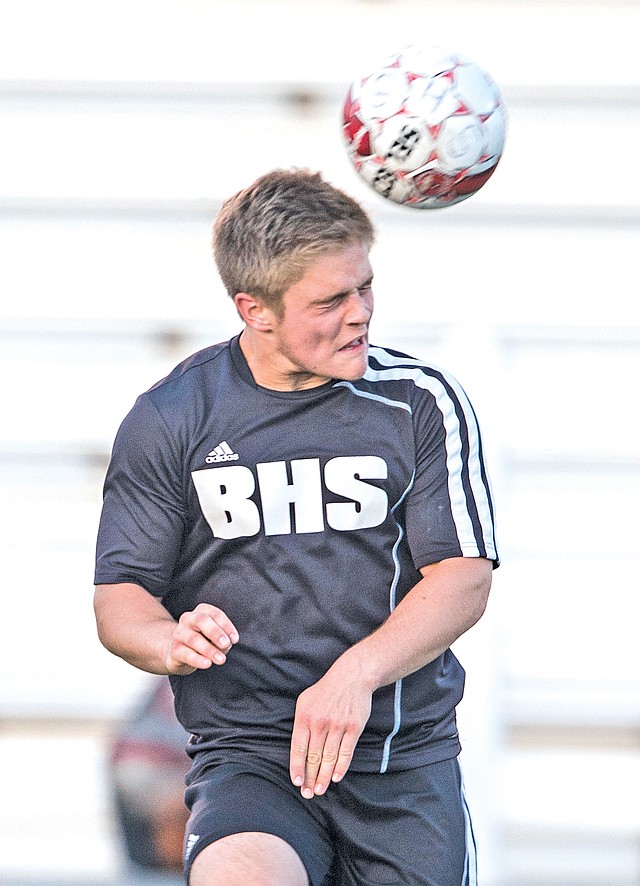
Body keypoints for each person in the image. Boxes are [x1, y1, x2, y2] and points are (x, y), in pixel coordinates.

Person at [93, 168, 499, 886]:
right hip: (251, 758)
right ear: (256, 310)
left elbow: (462, 579)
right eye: (331, 300)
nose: (360, 314)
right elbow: (120, 596)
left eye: (365, 287)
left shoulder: (420, 403)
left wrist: (356, 674)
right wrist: (168, 640)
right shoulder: (173, 417)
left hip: (400, 761)